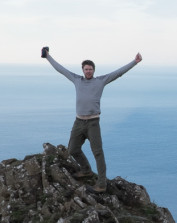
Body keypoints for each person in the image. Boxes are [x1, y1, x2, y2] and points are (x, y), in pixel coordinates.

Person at [42, 46, 142, 192]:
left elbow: (118, 73)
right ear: (82, 70)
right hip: (78, 122)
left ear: (94, 70)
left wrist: (135, 61)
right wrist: (48, 56)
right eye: (86, 69)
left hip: (93, 123)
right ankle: (86, 169)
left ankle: (101, 184)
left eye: (90, 69)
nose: (88, 71)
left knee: (98, 153)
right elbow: (61, 69)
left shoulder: (100, 81)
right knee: (72, 149)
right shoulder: (77, 80)